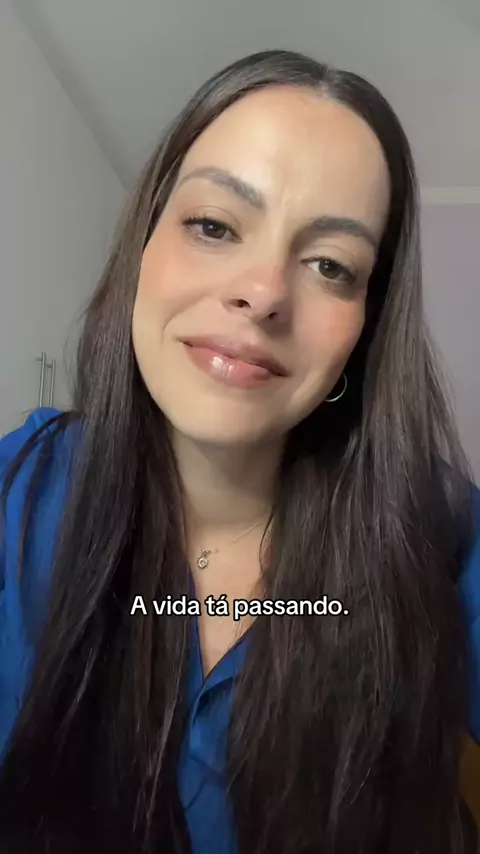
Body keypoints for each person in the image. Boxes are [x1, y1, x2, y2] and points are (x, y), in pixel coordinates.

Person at [0, 48, 478, 854]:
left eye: (331, 265)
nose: (263, 293)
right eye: (215, 226)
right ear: (143, 245)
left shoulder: (437, 526)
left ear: (363, 330)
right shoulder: (23, 485)